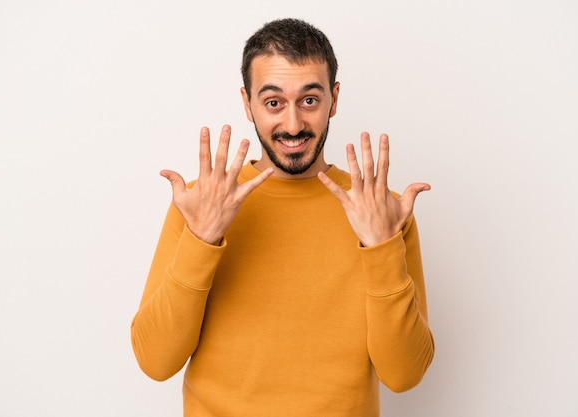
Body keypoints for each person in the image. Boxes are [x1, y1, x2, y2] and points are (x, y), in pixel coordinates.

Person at [131, 17, 434, 417]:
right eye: (273, 102)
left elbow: (404, 374)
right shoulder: (202, 203)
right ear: (247, 103)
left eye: (309, 100)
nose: (293, 125)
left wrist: (380, 247)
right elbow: (156, 362)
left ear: (334, 98)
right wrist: (201, 239)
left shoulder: (381, 210)